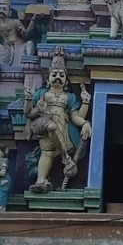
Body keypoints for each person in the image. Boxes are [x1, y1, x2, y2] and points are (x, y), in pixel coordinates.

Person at [24, 48, 92, 191]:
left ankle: (41, 181)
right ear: (48, 79)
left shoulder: (69, 97)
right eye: (54, 74)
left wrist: (85, 115)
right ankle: (65, 157)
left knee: (48, 153)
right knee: (51, 128)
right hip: (43, 122)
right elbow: (29, 113)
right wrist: (30, 100)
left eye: (61, 75)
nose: (57, 77)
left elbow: (75, 117)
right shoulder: (42, 93)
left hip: (62, 128)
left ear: (66, 81)